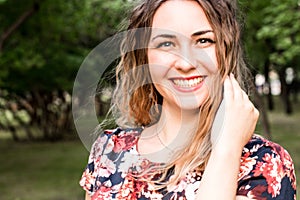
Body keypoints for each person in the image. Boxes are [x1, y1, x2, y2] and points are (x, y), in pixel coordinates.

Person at [79, 0, 297, 199]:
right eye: (166, 44)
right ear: (144, 56)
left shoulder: (264, 163)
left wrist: (227, 148)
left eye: (203, 40)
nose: (185, 63)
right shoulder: (109, 150)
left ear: (226, 50)